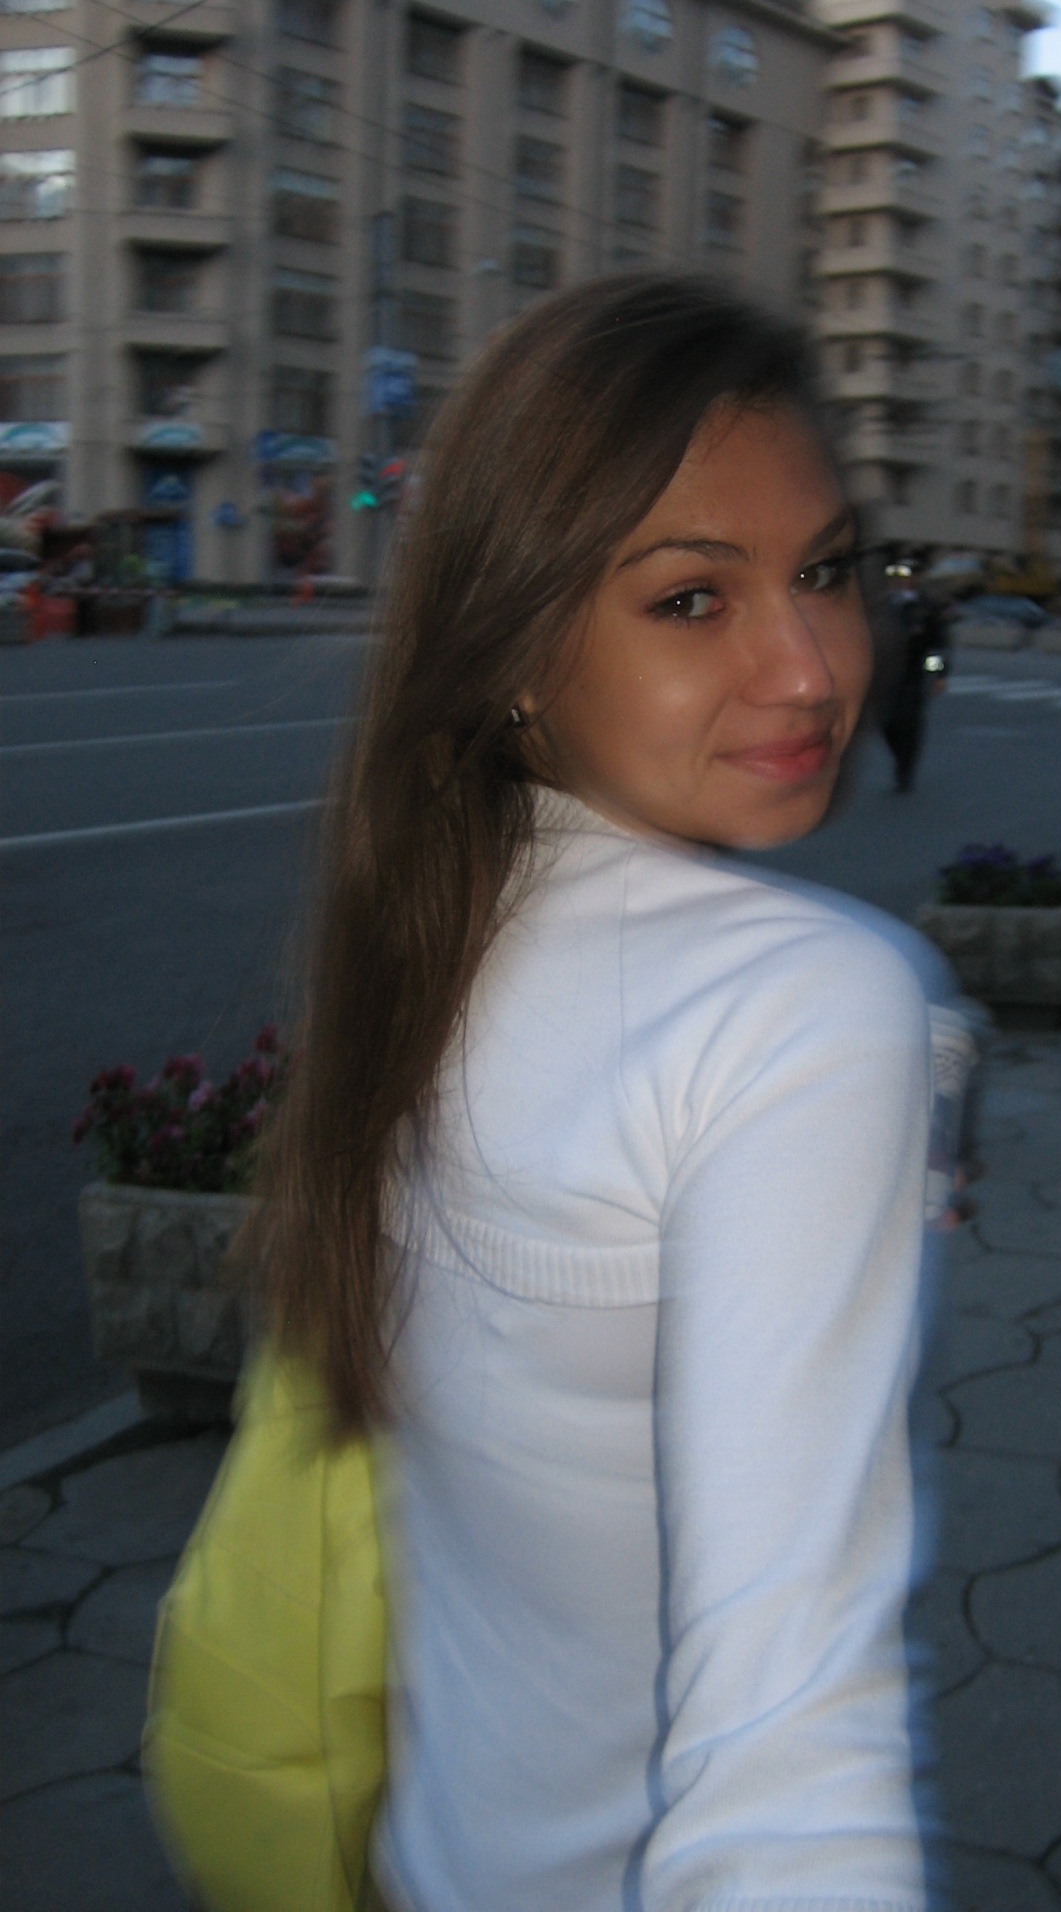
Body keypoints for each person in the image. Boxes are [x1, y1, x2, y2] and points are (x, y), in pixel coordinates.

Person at [241, 276, 963, 1912]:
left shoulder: (435, 929)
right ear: (518, 647)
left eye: (827, 570)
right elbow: (788, 1757)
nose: (809, 667)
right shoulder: (804, 1008)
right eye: (692, 599)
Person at [875, 561, 950, 793]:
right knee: (886, 723)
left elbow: (937, 644)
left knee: (910, 724)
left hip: (914, 672)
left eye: (909, 575)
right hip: (887, 673)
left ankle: (904, 771)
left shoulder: (928, 606)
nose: (904, 580)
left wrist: (938, 674)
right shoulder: (884, 603)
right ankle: (900, 757)